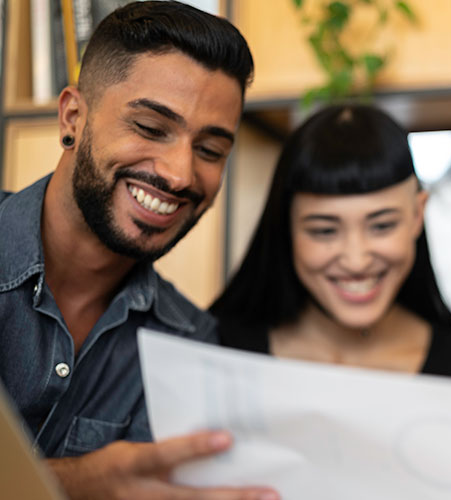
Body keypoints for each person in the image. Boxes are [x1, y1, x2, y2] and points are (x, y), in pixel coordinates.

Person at [0, 2, 278, 498]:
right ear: (72, 116)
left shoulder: (190, 345)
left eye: (210, 150)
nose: (179, 174)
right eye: (151, 128)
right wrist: (83, 484)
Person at [210, 104, 451, 377]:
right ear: (286, 225)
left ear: (417, 215)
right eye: (324, 231)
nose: (356, 261)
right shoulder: (215, 353)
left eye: (382, 225)